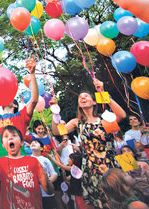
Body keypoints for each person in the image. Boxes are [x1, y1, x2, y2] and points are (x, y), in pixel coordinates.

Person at [52, 78, 126, 209]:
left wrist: (103, 92)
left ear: (94, 101)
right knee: (98, 203)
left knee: (117, 201)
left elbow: (122, 115)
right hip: (90, 171)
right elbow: (57, 131)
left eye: (86, 96)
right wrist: (54, 110)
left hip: (109, 167)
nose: (82, 97)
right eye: (80, 97)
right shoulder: (77, 123)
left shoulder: (104, 120)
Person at [0, 125, 54, 209]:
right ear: (3, 144)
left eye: (14, 135)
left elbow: (49, 191)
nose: (10, 138)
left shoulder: (33, 161)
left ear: (22, 142)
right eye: (6, 136)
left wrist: (45, 178)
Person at [30, 139, 58, 209]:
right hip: (33, 195)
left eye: (36, 143)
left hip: (46, 194)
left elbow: (54, 174)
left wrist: (46, 182)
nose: (33, 143)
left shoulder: (45, 160)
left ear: (41, 148)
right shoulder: (27, 159)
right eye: (32, 143)